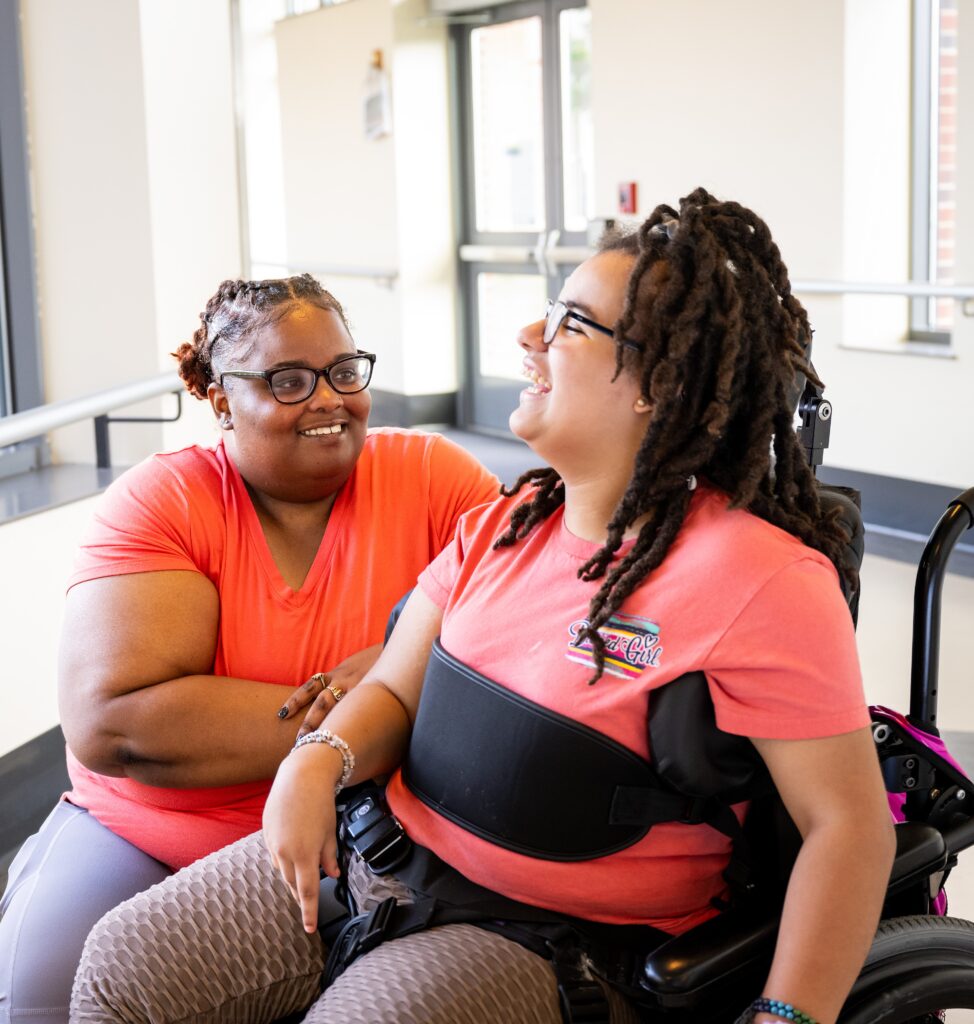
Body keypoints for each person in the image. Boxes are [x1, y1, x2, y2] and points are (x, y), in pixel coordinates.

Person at [70, 192, 895, 1024]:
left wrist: (788, 1017)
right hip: (378, 856)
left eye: (570, 325)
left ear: (658, 383)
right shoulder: (505, 521)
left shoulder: (763, 579)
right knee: (121, 966)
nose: (529, 338)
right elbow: (393, 691)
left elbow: (847, 828)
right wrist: (317, 759)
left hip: (544, 935)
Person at [0, 274, 499, 1024]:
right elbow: (115, 724)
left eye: (342, 371)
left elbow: (517, 641)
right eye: (289, 381)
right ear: (223, 400)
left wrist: (386, 686)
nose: (329, 398)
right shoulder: (164, 502)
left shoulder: (433, 478)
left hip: (362, 833)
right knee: (42, 1001)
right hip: (146, 830)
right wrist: (384, 691)